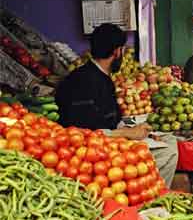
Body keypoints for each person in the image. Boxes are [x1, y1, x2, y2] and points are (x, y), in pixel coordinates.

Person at [56, 24, 178, 187]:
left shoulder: (100, 77)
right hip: (90, 150)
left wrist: (138, 131)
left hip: (106, 138)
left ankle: (149, 189)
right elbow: (85, 131)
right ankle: (150, 195)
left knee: (168, 140)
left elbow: (110, 118)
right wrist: (127, 133)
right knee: (167, 151)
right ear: (117, 52)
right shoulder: (85, 81)